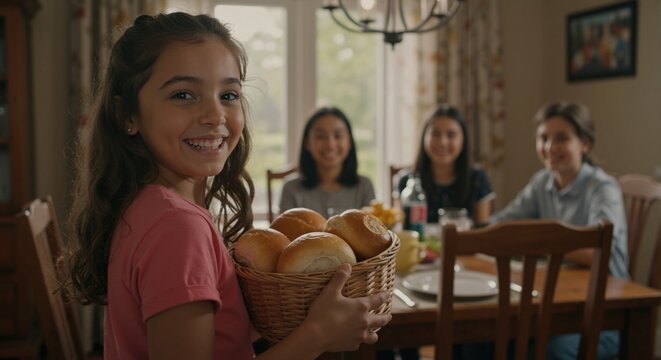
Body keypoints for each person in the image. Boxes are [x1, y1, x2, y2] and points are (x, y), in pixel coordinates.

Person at [61, 12, 391, 359]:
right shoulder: (177, 227)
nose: (215, 115)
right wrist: (317, 336)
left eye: (229, 95)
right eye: (184, 95)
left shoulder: (149, 206)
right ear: (127, 115)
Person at [489, 101, 628, 360]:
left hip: (602, 314)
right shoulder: (543, 181)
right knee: (482, 341)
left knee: (550, 351)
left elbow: (597, 250)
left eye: (561, 138)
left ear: (584, 143)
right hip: (552, 307)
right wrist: (479, 230)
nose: (550, 147)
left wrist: (537, 241)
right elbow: (505, 221)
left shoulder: (603, 188)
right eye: (543, 138)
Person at [398, 104, 494, 226]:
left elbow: (482, 233)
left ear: (463, 141)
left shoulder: (477, 179)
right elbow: (401, 233)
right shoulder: (407, 182)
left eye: (451, 135)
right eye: (436, 134)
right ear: (424, 139)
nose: (443, 142)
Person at [279, 106, 375, 218]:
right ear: (307, 143)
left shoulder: (364, 186)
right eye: (320, 136)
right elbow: (284, 233)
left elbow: (371, 233)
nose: (330, 144)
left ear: (349, 142)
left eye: (338, 136)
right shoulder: (291, 188)